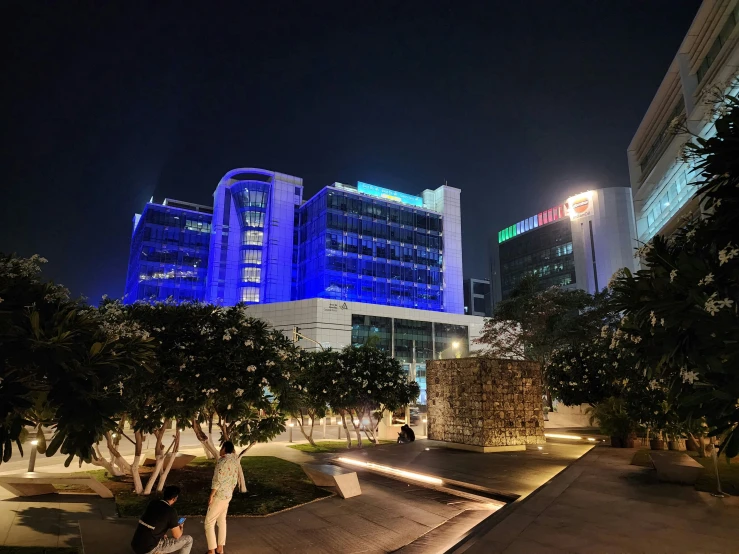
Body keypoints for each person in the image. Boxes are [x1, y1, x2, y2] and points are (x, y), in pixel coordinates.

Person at [131, 485, 192, 554]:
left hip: (135, 544)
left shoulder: (153, 503)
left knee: (163, 537)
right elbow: (177, 535)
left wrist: (161, 534)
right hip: (149, 549)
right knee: (188, 540)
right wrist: (181, 527)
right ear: (175, 498)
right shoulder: (171, 511)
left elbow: (154, 521)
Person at [205, 441, 240, 554]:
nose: (220, 450)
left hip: (219, 495)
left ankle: (211, 551)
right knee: (221, 521)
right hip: (228, 495)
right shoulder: (234, 461)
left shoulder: (222, 461)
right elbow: (235, 479)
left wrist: (211, 495)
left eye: (221, 448)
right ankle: (220, 549)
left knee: (209, 522)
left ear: (224, 448)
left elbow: (217, 480)